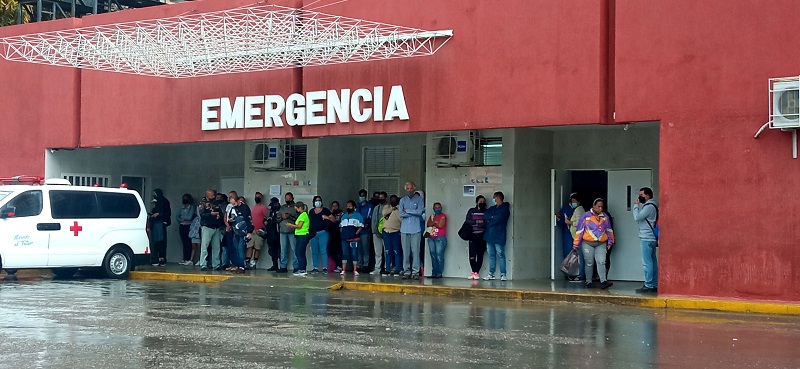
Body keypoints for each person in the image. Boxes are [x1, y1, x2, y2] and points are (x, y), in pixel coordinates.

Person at [573, 198, 615, 289]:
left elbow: (609, 230)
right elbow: (579, 231)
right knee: (589, 262)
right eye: (598, 206)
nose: (600, 209)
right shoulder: (585, 216)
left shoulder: (605, 217)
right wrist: (576, 244)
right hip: (587, 243)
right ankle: (588, 282)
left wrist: (610, 241)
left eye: (601, 207)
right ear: (593, 206)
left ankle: (603, 281)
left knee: (601, 261)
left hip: (601, 243)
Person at [633, 187, 659, 293]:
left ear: (647, 195)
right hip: (651, 238)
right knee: (652, 261)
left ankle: (649, 284)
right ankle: (654, 283)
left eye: (641, 195)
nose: (639, 197)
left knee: (647, 263)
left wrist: (635, 205)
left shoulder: (648, 207)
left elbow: (637, 217)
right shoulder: (654, 205)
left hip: (647, 238)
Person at [399, 182, 424, 280]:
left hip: (415, 229)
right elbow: (401, 213)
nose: (410, 190)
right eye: (408, 188)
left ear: (414, 189)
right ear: (406, 189)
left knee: (415, 251)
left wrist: (408, 211)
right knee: (406, 252)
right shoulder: (402, 200)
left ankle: (415, 271)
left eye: (411, 188)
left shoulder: (419, 199)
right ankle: (406, 271)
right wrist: (413, 212)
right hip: (404, 230)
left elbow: (420, 212)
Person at [483, 191, 510, 281]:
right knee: (491, 255)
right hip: (489, 235)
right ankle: (491, 273)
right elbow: (486, 216)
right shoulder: (492, 208)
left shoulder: (505, 209)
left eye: (494, 198)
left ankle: (503, 273)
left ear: (498, 198)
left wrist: (491, 220)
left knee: (500, 254)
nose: (493, 200)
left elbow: (499, 218)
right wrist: (492, 218)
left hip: (499, 235)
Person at [198, 189, 223, 271]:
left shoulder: (216, 203)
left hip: (216, 227)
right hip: (207, 226)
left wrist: (219, 216)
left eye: (214, 195)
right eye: (212, 195)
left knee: (216, 247)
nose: (213, 197)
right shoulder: (202, 203)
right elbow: (202, 215)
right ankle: (203, 264)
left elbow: (220, 213)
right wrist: (211, 214)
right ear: (207, 195)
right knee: (204, 246)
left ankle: (216, 264)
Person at [227, 195, 253, 274]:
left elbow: (249, 220)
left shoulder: (245, 208)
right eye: (232, 204)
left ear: (238, 200)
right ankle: (237, 265)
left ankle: (242, 266)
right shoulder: (232, 208)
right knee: (236, 249)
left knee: (241, 249)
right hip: (235, 231)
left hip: (243, 231)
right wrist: (230, 221)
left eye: (234, 203)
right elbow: (229, 218)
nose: (233, 205)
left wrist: (249, 231)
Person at [309, 195, 334, 273]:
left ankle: (325, 267)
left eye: (319, 200)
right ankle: (315, 267)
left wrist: (327, 217)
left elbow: (333, 219)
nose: (318, 202)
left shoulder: (325, 210)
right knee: (314, 251)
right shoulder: (311, 211)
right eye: (316, 201)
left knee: (324, 251)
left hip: (323, 232)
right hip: (313, 234)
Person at [339, 200, 365, 275]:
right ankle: (343, 270)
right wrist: (342, 233)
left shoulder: (358, 216)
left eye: (350, 206)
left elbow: (361, 226)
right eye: (347, 206)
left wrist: (355, 233)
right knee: (345, 254)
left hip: (354, 239)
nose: (348, 207)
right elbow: (341, 226)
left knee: (354, 254)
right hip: (344, 238)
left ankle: (355, 270)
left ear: (354, 207)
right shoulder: (344, 216)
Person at [465, 196, 487, 280]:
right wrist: (477, 222)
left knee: (480, 255)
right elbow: (468, 221)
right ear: (476, 202)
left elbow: (485, 223)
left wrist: (477, 223)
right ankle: (473, 271)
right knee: (472, 255)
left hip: (482, 235)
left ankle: (476, 272)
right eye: (480, 201)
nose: (482, 202)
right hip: (472, 235)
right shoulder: (471, 211)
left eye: (483, 201)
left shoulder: (486, 211)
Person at [287, 201, 310, 276]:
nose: (296, 210)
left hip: (303, 235)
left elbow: (299, 226)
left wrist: (291, 225)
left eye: (296, 208)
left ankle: (302, 269)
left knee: (300, 253)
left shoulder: (303, 215)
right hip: (300, 235)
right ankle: (301, 269)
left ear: (300, 208)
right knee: (298, 252)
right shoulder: (302, 215)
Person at [150, 188, 171, 266]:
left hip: (161, 224)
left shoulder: (164, 202)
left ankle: (162, 258)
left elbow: (167, 212)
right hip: (155, 224)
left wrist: (159, 214)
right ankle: (155, 258)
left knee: (161, 242)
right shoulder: (156, 202)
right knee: (155, 242)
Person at [278, 192, 298, 273]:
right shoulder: (282, 208)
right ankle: (283, 266)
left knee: (294, 249)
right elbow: (277, 218)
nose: (288, 200)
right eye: (286, 198)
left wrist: (290, 216)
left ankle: (296, 266)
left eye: (289, 198)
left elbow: (299, 219)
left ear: (293, 198)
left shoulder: (295, 207)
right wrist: (282, 217)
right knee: (283, 250)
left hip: (292, 231)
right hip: (282, 231)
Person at [382, 194, 402, 275]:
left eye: (394, 199)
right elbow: (384, 213)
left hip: (396, 232)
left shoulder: (400, 208)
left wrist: (396, 210)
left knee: (397, 251)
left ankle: (397, 268)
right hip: (386, 232)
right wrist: (392, 208)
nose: (393, 201)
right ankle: (387, 268)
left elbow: (401, 218)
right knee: (387, 251)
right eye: (391, 199)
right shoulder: (387, 207)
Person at [246, 192, 268, 269]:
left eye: (258, 197)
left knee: (257, 247)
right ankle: (247, 262)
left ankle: (254, 263)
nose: (257, 198)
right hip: (252, 230)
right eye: (256, 197)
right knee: (249, 246)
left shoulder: (264, 208)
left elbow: (267, 218)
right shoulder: (252, 208)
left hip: (260, 230)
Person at [426, 202, 447, 278]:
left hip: (440, 238)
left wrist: (434, 222)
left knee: (439, 255)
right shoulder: (431, 216)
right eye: (436, 208)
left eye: (439, 208)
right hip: (431, 238)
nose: (438, 209)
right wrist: (435, 222)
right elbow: (428, 224)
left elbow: (441, 225)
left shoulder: (443, 216)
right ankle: (434, 272)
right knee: (433, 255)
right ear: (433, 209)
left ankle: (439, 273)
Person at [355, 189, 374, 271]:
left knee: (365, 248)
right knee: (358, 249)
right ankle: (359, 265)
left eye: (363, 196)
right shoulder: (357, 206)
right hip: (357, 231)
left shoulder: (369, 206)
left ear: (366, 196)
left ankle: (366, 265)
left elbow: (370, 217)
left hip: (365, 230)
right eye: (360, 196)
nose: (361, 197)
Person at [176, 193, 196, 266]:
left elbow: (190, 217)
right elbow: (177, 216)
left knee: (188, 243)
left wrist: (182, 217)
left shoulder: (191, 207)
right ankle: (184, 258)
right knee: (184, 242)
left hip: (189, 226)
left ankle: (188, 258)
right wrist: (182, 220)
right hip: (182, 226)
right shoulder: (181, 207)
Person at [370, 191, 388, 275]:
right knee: (378, 252)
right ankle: (377, 269)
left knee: (387, 251)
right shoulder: (376, 208)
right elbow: (373, 220)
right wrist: (374, 231)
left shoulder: (389, 207)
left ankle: (387, 268)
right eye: (379, 197)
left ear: (385, 198)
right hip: (376, 233)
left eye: (382, 197)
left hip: (387, 232)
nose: (380, 199)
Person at [263, 197, 282, 271]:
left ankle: (282, 266)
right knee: (271, 250)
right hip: (270, 233)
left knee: (280, 250)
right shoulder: (270, 211)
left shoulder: (281, 210)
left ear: (277, 203)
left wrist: (273, 220)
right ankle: (275, 265)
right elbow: (265, 218)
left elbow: (279, 219)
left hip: (278, 233)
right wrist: (265, 221)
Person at [329, 201, 344, 272]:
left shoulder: (341, 214)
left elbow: (336, 221)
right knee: (332, 251)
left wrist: (330, 217)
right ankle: (336, 265)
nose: (334, 207)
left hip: (339, 235)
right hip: (332, 234)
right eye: (333, 206)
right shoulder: (330, 213)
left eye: (336, 206)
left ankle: (340, 266)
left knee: (339, 251)